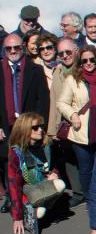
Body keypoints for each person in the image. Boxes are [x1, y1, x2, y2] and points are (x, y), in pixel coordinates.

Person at [57, 45, 96, 205]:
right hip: (81, 132)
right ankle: (91, 199)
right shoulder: (72, 79)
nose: (88, 63)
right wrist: (72, 116)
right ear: (79, 62)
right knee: (86, 168)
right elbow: (62, 102)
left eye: (92, 59)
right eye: (84, 60)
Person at [0, 34, 49, 212]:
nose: (13, 51)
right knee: (8, 162)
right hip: (5, 126)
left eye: (17, 47)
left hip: (29, 124)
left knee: (29, 162)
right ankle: (12, 199)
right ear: (4, 51)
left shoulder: (35, 70)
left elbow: (42, 100)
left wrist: (37, 126)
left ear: (23, 47)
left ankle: (33, 198)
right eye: (8, 48)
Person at [7, 113, 66, 234]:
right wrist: (17, 217)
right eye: (35, 127)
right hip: (27, 189)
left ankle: (41, 207)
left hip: (43, 185)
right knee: (40, 212)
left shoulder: (47, 145)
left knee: (60, 184)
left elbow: (55, 165)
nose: (40, 130)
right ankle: (28, 208)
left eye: (41, 126)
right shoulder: (16, 152)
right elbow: (14, 184)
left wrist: (54, 173)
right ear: (24, 130)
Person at [48, 38, 82, 206]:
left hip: (83, 121)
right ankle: (78, 191)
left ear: (76, 50)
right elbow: (54, 101)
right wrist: (52, 129)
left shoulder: (85, 67)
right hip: (64, 124)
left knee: (86, 158)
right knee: (69, 158)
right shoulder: (58, 71)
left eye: (68, 52)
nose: (65, 56)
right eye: (61, 53)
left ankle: (92, 192)